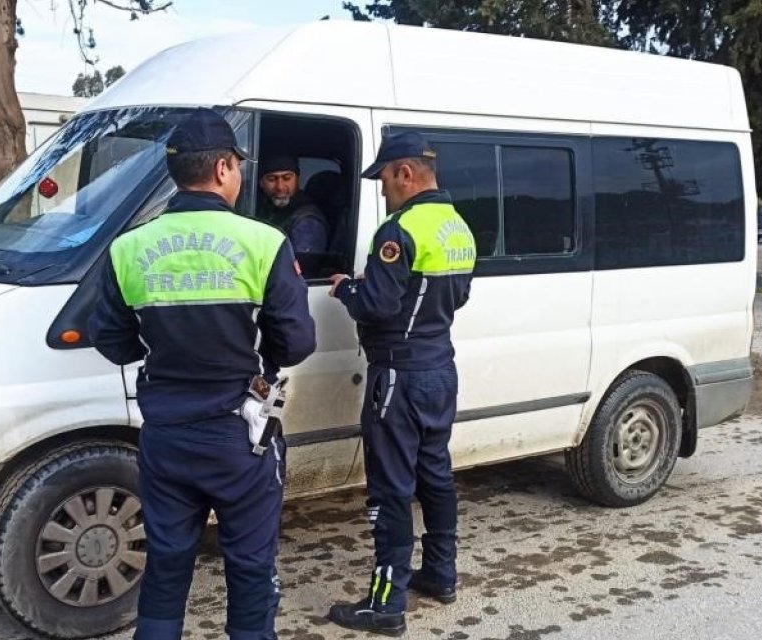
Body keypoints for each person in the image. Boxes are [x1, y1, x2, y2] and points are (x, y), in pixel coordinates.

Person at [88, 108, 317, 640]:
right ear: (221, 169)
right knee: (250, 566)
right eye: (238, 166)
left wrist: (163, 352)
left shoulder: (128, 248)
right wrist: (258, 356)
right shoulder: (264, 243)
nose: (239, 175)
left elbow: (113, 341)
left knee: (167, 563)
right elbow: (297, 343)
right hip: (241, 436)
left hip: (166, 434)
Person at [324, 132, 477, 637]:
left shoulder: (399, 230)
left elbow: (377, 305)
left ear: (405, 173)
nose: (382, 189)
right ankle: (441, 574)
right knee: (435, 474)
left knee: (391, 488)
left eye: (384, 179)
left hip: (398, 376)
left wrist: (346, 289)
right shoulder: (458, 227)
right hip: (440, 369)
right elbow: (458, 297)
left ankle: (385, 603)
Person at [255, 155, 331, 255]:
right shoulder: (262, 208)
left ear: (297, 180)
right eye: (272, 179)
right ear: (261, 183)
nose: (280, 187)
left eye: (287, 178)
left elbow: (303, 263)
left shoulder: (307, 222)